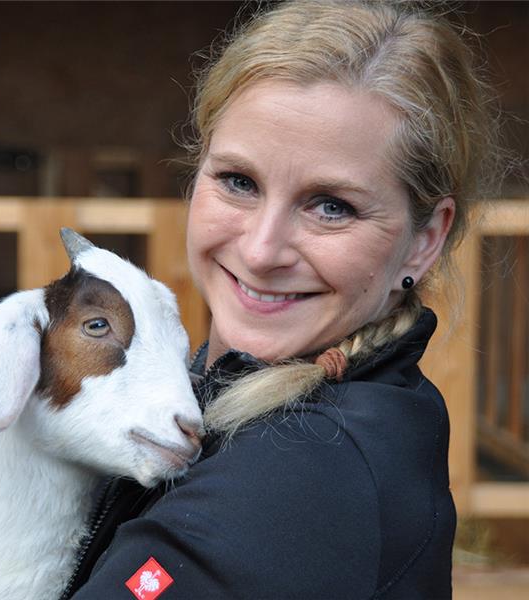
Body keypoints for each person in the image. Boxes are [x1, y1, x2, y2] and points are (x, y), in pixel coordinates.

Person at [61, 1, 505, 598]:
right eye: (239, 182)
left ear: (424, 240)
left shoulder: (303, 470)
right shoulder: (251, 391)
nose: (263, 250)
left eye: (331, 206)